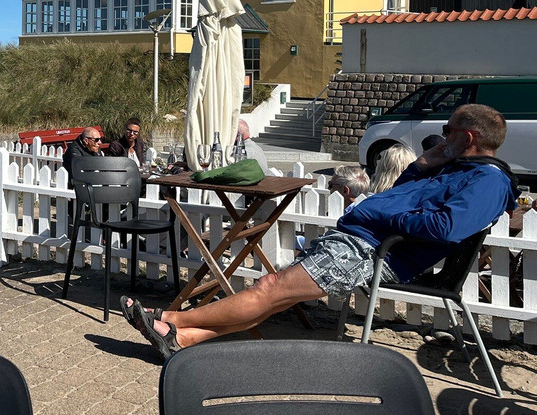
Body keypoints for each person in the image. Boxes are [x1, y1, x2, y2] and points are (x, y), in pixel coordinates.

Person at [122, 104, 518, 360]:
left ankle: (171, 319)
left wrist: (378, 217)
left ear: (468, 138)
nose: (443, 136)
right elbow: (400, 199)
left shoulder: (488, 181)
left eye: (448, 130)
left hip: (374, 251)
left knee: (270, 288)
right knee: (276, 297)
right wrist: (419, 167)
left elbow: (445, 228)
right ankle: (182, 341)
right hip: (364, 241)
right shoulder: (455, 169)